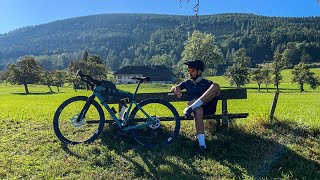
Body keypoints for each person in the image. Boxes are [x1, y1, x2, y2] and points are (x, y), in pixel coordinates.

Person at [170, 60, 220, 155]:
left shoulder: (207, 83)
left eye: (192, 70)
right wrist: (176, 87)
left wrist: (195, 102)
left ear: (199, 72)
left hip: (208, 108)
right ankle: (202, 145)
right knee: (198, 109)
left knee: (216, 86)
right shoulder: (187, 83)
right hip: (197, 111)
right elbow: (172, 88)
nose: (189, 73)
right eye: (188, 70)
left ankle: (191, 107)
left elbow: (217, 91)